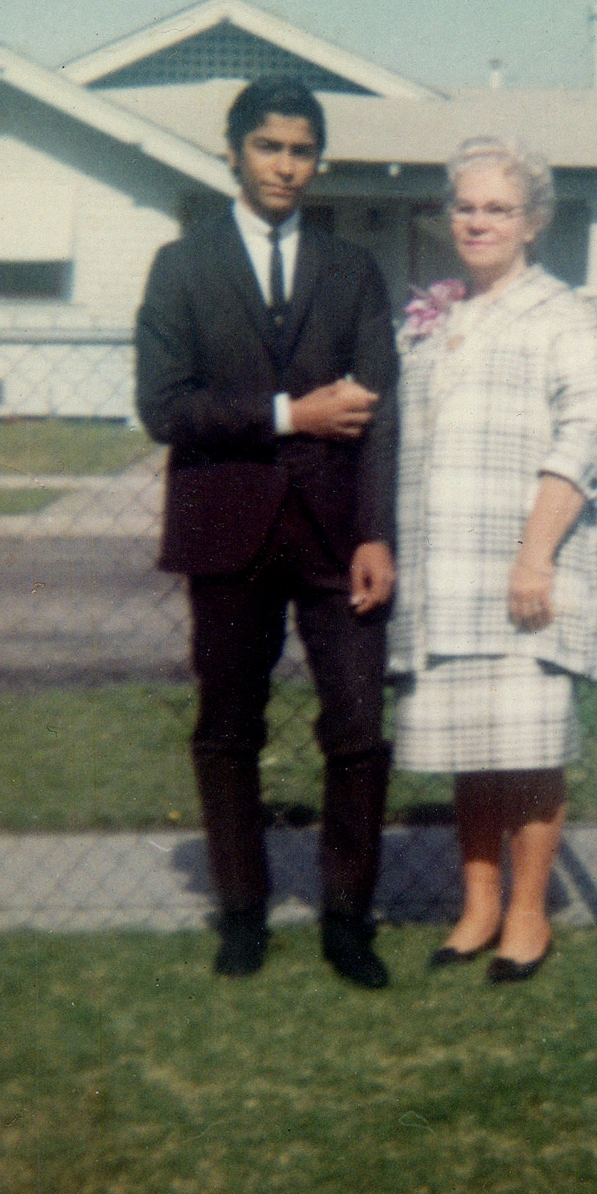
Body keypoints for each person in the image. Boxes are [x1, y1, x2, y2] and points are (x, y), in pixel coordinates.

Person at [135, 77, 398, 988]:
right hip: (227, 527)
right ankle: (242, 912)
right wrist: (290, 414)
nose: (287, 165)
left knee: (360, 727)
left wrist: (377, 534)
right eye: (269, 148)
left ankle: (347, 918)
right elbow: (163, 409)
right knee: (228, 726)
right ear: (235, 152)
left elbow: (381, 413)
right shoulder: (182, 266)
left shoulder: (353, 270)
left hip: (337, 536)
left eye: (302, 150)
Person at [389, 136, 597, 983]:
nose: (477, 222)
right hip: (445, 573)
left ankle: (528, 913)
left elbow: (587, 436)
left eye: (497, 209)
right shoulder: (438, 318)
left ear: (533, 224)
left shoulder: (565, 317)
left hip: (525, 568)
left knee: (525, 747)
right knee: (471, 745)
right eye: (465, 207)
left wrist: (534, 557)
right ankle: (478, 906)